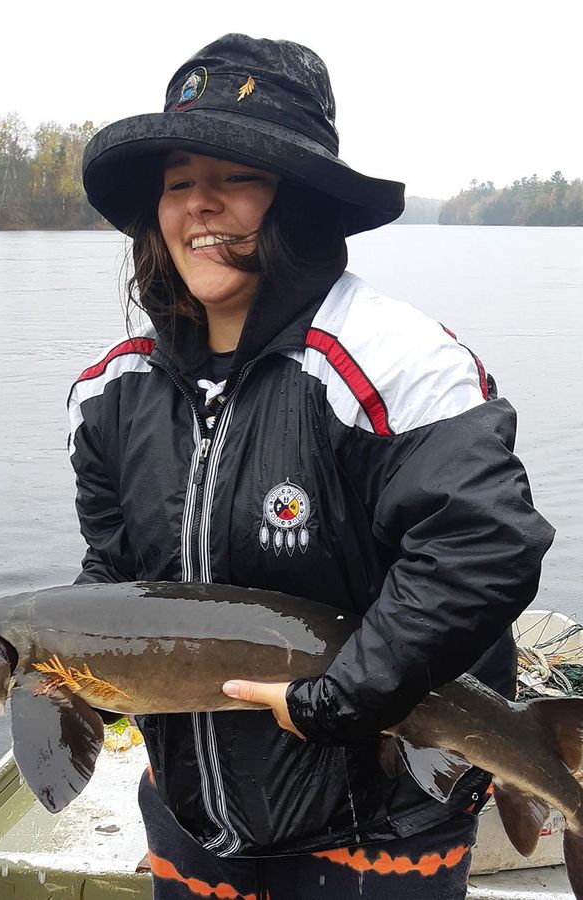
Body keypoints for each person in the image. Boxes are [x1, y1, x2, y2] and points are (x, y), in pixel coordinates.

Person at [68, 33, 554, 899]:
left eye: (237, 178)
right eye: (179, 182)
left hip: (380, 831)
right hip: (193, 821)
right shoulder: (111, 390)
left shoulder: (397, 360)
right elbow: (115, 569)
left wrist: (342, 697)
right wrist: (79, 673)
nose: (200, 207)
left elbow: (483, 548)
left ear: (300, 202)